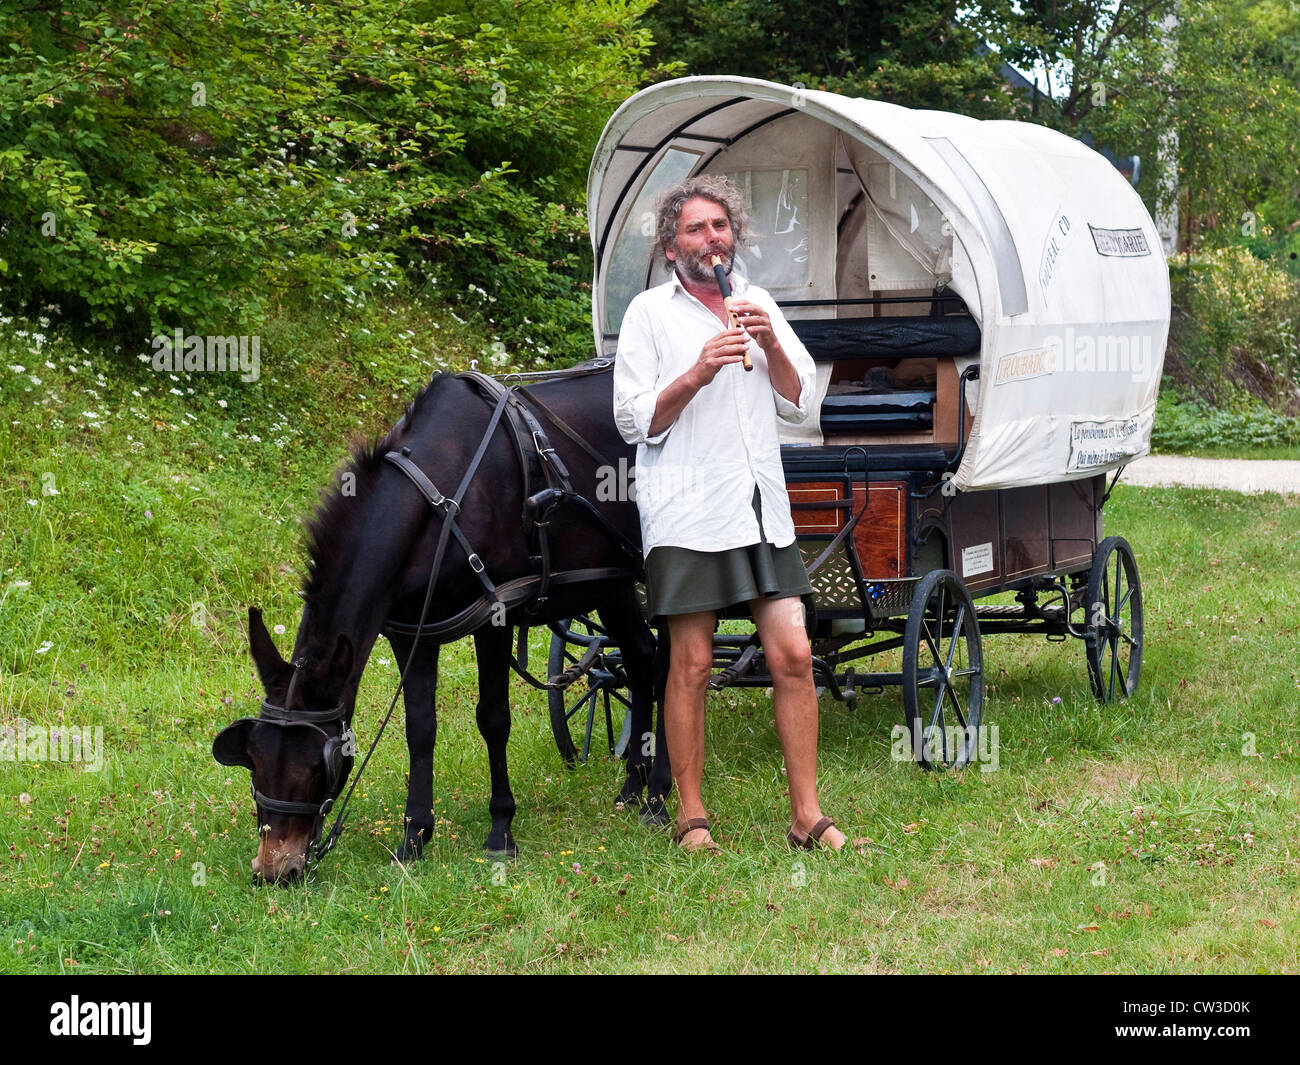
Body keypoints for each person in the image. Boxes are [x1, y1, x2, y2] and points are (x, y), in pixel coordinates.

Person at [613, 174, 846, 853]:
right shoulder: (649, 316)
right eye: (695, 228)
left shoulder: (758, 302)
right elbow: (631, 419)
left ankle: (806, 815)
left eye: (719, 226)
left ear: (734, 236)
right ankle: (691, 815)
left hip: (759, 510)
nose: (710, 238)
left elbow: (802, 401)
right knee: (688, 663)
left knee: (795, 653)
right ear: (669, 245)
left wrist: (770, 343)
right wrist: (695, 372)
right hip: (687, 511)